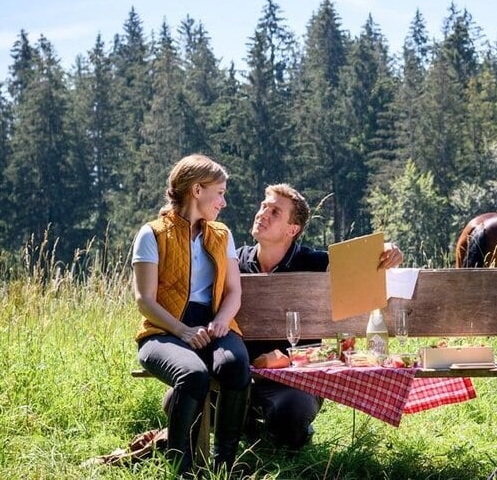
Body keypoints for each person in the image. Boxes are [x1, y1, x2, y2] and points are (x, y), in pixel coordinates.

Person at [237, 183, 403, 449]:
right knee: (175, 400)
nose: (262, 213)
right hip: (241, 376)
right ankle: (255, 432)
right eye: (263, 206)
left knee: (293, 410)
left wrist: (387, 248)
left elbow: (362, 261)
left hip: (298, 380)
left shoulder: (313, 262)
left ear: (293, 229)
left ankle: (279, 432)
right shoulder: (233, 262)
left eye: (275, 212)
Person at [132, 154, 251, 475]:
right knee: (193, 374)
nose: (224, 202)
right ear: (197, 190)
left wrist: (224, 320)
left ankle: (224, 465)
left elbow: (233, 292)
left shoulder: (222, 234)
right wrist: (183, 331)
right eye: (221, 192)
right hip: (161, 332)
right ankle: (180, 467)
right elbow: (145, 300)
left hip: (214, 327)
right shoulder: (152, 234)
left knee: (236, 365)